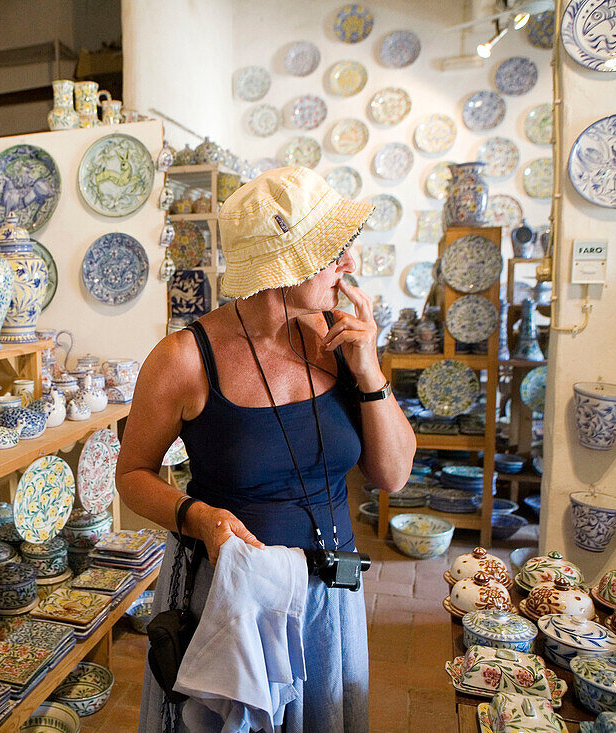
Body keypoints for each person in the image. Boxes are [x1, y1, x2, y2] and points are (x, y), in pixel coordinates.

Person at [117, 166, 416, 733]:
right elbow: (132, 474)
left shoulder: (337, 340)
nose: (348, 264)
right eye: (334, 252)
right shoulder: (184, 357)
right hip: (229, 599)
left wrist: (370, 370)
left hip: (330, 594)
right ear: (283, 268)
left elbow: (394, 474)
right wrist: (199, 517)